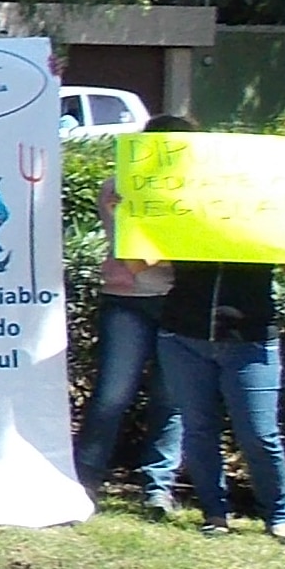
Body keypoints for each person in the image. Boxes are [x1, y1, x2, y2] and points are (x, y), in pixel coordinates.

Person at [151, 121, 285, 547]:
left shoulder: (267, 213)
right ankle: (214, 515)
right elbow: (136, 263)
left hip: (251, 340)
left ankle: (279, 517)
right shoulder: (182, 207)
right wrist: (127, 211)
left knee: (259, 434)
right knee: (198, 429)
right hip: (183, 335)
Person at [72, 116, 185, 517]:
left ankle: (158, 487)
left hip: (179, 300)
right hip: (128, 298)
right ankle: (85, 478)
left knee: (170, 399)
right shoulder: (118, 188)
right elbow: (134, 250)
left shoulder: (201, 192)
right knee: (112, 394)